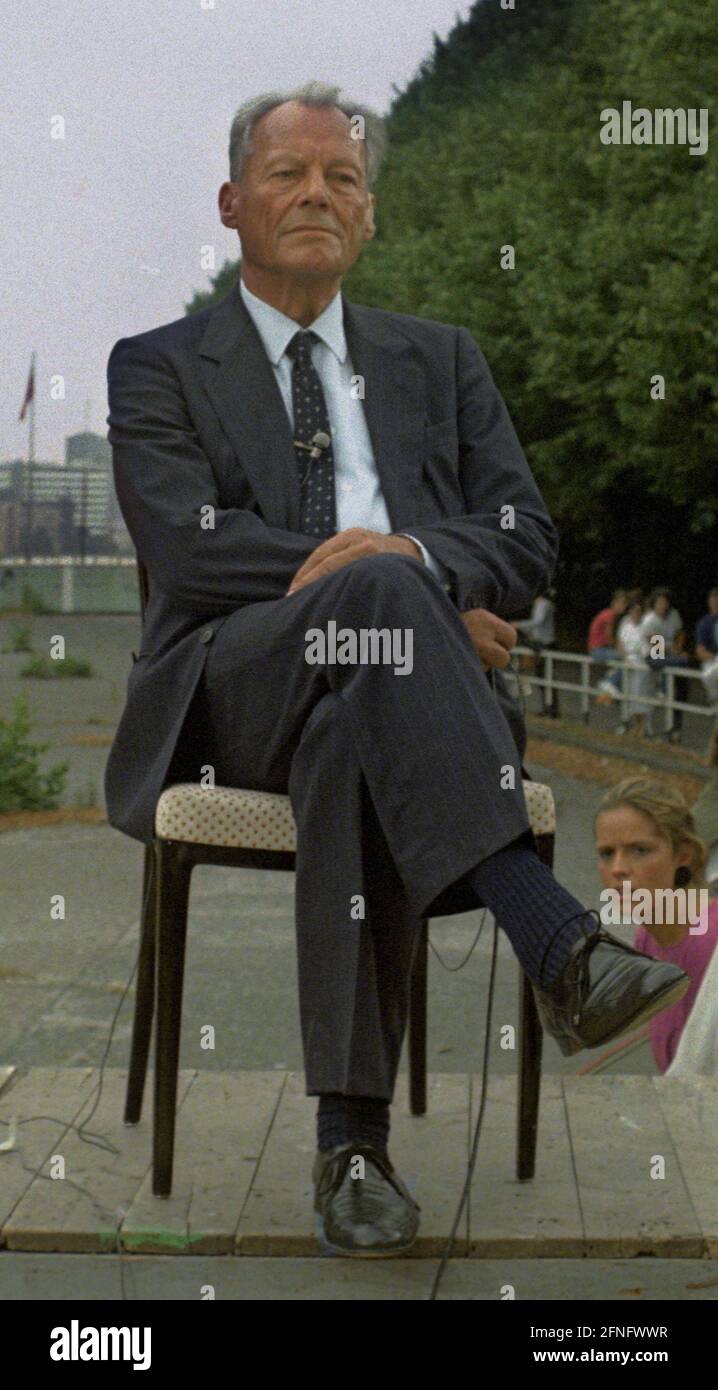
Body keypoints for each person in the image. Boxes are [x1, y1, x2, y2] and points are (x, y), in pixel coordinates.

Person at [104, 82, 689, 1257]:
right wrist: (412, 589)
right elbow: (188, 545)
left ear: (369, 216)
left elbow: (526, 536)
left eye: (345, 178)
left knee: (351, 732)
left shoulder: (444, 360)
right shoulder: (158, 363)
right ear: (232, 202)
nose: (319, 192)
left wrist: (409, 574)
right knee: (376, 592)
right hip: (229, 692)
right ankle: (556, 939)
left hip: (384, 709)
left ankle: (351, 1149)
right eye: (288, 174)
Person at [594, 777, 718, 1073]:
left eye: (640, 850)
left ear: (683, 856)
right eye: (607, 853)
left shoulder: (709, 947)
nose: (618, 869)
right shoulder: (647, 938)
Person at [639, 588, 691, 743]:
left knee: (682, 669)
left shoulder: (673, 616)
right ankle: (663, 688)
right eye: (660, 602)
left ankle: (675, 692)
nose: (663, 605)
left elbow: (680, 633)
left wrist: (678, 648)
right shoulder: (650, 620)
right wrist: (674, 652)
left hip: (670, 655)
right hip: (654, 654)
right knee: (683, 661)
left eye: (665, 602)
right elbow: (655, 648)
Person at [511, 587, 556, 715]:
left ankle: (551, 708)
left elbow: (537, 622)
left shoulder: (543, 604)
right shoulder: (544, 604)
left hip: (543, 643)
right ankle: (549, 707)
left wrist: (519, 625)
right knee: (544, 676)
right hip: (543, 641)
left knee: (545, 676)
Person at [615, 595, 653, 737]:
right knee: (632, 697)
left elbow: (658, 649)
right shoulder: (625, 623)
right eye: (633, 610)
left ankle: (644, 727)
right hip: (629, 664)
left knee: (642, 695)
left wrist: (656, 661)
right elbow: (619, 643)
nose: (635, 613)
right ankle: (636, 726)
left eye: (638, 610)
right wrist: (624, 657)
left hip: (644, 664)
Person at [588, 589, 628, 700]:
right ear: (614, 603)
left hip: (597, 649)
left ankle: (612, 681)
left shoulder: (607, 613)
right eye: (622, 603)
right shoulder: (610, 615)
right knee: (627, 659)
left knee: (622, 658)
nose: (624, 607)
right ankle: (610, 681)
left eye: (625, 604)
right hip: (599, 651)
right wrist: (618, 649)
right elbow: (609, 637)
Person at [694, 586, 718, 669]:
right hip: (712, 662)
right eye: (713, 601)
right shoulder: (704, 623)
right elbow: (700, 652)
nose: (715, 603)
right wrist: (715, 659)